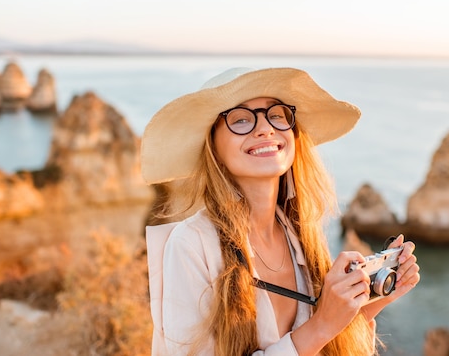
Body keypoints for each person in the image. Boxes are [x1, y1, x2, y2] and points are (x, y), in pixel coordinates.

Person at [141, 67, 420, 356]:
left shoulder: (301, 232)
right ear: (213, 146)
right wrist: (322, 323)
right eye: (240, 119)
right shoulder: (190, 245)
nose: (265, 128)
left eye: (276, 115)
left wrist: (375, 299)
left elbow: (323, 346)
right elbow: (314, 334)